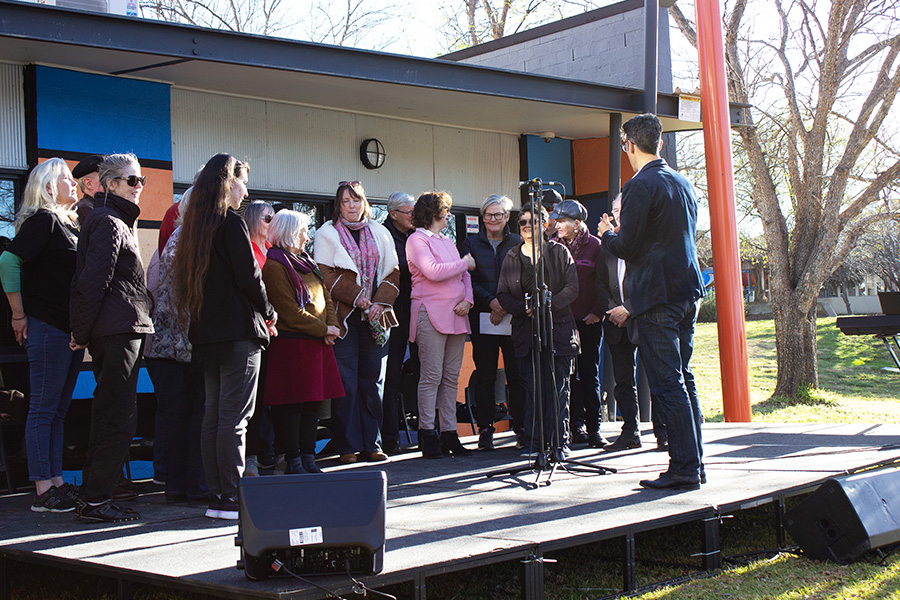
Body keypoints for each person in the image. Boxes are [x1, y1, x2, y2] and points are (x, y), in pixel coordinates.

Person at [598, 113, 705, 491]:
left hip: (657, 298)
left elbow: (628, 246)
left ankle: (684, 469)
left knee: (667, 383)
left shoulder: (639, 187)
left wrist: (608, 234)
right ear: (659, 143)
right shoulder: (682, 181)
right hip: (687, 292)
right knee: (684, 378)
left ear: (628, 145)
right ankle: (695, 463)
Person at [173, 153, 277, 520]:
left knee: (214, 416)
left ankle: (219, 496)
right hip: (237, 334)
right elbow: (250, 278)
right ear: (227, 183)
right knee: (234, 418)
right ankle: (231, 498)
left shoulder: (192, 229)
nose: (245, 189)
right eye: (241, 181)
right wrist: (269, 312)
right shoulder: (231, 224)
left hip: (205, 337)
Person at [70, 153, 154, 522]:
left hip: (119, 328)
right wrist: (80, 332)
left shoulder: (113, 219)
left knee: (112, 413)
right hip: (117, 331)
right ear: (110, 184)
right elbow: (90, 282)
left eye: (141, 180)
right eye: (131, 180)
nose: (139, 187)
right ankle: (95, 499)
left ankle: (95, 496)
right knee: (118, 416)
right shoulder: (107, 222)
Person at [0, 158, 84, 512]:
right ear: (50, 187)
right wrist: (18, 314)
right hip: (47, 327)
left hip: (69, 332)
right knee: (43, 409)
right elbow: (7, 262)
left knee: (58, 410)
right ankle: (42, 488)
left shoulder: (68, 225)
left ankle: (57, 482)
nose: (74, 183)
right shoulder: (44, 220)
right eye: (67, 179)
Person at [313, 181, 399, 464]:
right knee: (346, 382)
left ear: (364, 203)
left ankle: (371, 444)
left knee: (374, 382)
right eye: (346, 201)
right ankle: (347, 446)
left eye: (356, 200)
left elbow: (393, 270)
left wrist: (379, 302)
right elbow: (324, 274)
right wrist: (358, 297)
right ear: (338, 206)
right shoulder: (326, 234)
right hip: (345, 318)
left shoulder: (380, 232)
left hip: (376, 316)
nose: (352, 206)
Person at [262, 210, 344, 474]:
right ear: (289, 233)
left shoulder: (308, 263)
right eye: (303, 231)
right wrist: (324, 328)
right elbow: (287, 311)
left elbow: (327, 298)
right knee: (292, 406)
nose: (307, 237)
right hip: (292, 345)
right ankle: (293, 458)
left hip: (317, 344)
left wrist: (331, 326)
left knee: (313, 405)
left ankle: (309, 457)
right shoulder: (274, 266)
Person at [497, 205, 580, 457]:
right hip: (526, 334)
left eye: (532, 221)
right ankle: (534, 443)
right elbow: (502, 294)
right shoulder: (511, 256)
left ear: (545, 225)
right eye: (522, 221)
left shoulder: (558, 252)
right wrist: (525, 309)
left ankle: (559, 444)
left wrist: (546, 305)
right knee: (532, 390)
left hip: (558, 332)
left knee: (558, 389)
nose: (525, 225)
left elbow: (572, 287)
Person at [145, 190, 208, 503]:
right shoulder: (186, 241)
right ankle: (181, 479)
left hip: (176, 340)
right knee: (185, 411)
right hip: (182, 341)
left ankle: (176, 480)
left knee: (180, 411)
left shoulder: (177, 241)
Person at [596, 194, 667, 453]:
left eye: (623, 208)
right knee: (623, 381)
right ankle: (630, 432)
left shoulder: (648, 241)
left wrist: (629, 309)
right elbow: (600, 282)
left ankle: (663, 432)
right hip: (615, 323)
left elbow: (653, 283)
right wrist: (613, 309)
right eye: (615, 209)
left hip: (645, 319)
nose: (618, 214)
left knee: (657, 378)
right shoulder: (609, 243)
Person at [406, 192, 475, 459]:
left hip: (457, 314)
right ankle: (427, 434)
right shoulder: (416, 239)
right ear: (433, 212)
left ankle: (449, 433)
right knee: (431, 376)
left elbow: (464, 276)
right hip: (431, 312)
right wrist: (464, 263)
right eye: (445, 210)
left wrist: (468, 299)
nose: (448, 214)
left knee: (450, 377)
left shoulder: (448, 240)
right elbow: (433, 270)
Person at [459, 194, 526, 451]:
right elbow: (466, 279)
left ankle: (521, 428)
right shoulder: (471, 243)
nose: (492, 220)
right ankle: (485, 430)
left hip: (514, 319)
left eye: (498, 214)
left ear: (507, 217)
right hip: (482, 318)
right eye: (487, 215)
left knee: (517, 375)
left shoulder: (519, 242)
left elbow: (524, 278)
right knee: (485, 376)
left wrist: (504, 305)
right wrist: (491, 303)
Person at [552, 199, 607, 449]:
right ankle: (574, 427)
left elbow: (604, 283)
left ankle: (594, 428)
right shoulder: (552, 246)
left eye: (562, 220)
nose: (557, 224)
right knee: (567, 377)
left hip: (589, 321)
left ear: (577, 223)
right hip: (562, 322)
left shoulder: (595, 246)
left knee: (589, 374)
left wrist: (598, 312)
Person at [241, 200, 277, 476]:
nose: (272, 223)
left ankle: (267, 451)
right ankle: (251, 455)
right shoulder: (248, 251)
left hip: (273, 333)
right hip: (254, 332)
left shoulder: (271, 251)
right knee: (251, 401)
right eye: (267, 218)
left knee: (268, 399)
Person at [381, 191, 415, 455]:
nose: (414, 217)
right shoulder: (382, 236)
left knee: (422, 373)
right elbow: (398, 268)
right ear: (393, 214)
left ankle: (428, 431)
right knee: (390, 376)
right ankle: (389, 437)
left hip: (417, 311)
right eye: (410, 212)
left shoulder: (417, 235)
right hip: (392, 313)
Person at [71, 154, 105, 226]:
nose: (111, 182)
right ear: (88, 183)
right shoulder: (85, 210)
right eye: (104, 177)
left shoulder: (96, 207)